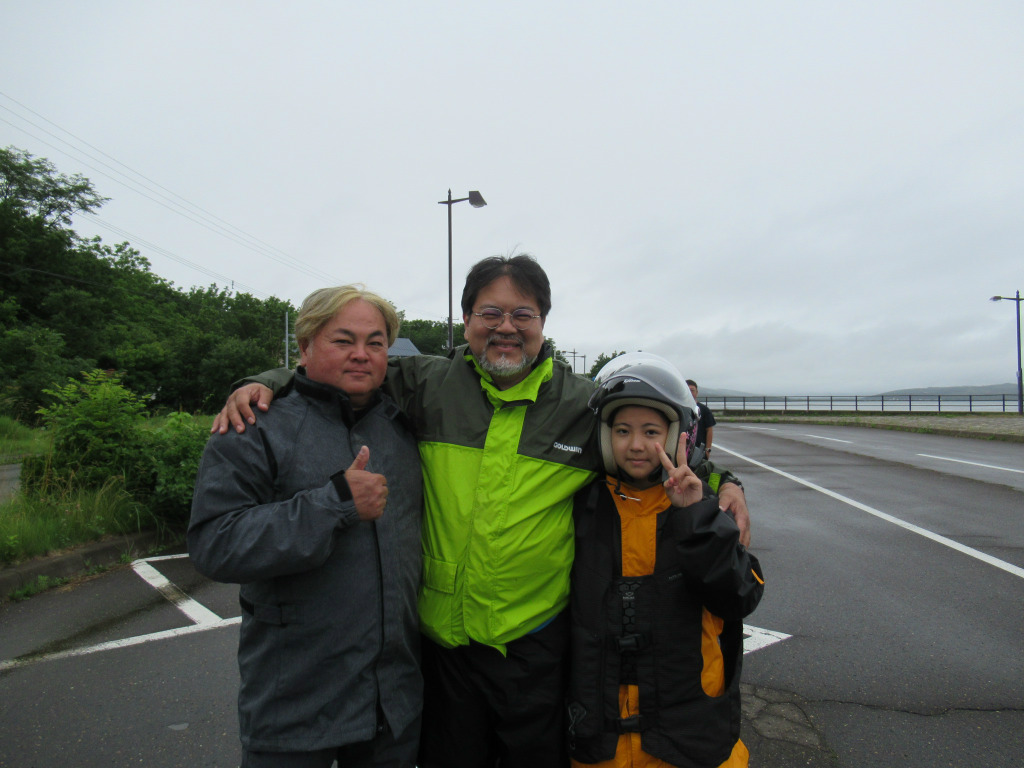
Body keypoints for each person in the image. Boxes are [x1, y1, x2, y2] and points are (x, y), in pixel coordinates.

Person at [212, 255, 751, 768]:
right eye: (490, 312)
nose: (506, 327)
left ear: (543, 323)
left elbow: (648, 449)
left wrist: (724, 482)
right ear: (466, 319)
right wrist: (264, 383)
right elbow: (342, 369)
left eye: (523, 314)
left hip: (535, 643)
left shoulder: (581, 405)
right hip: (441, 649)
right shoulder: (426, 383)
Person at [188, 286, 423, 768]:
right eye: (343, 340)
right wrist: (334, 503)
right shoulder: (254, 425)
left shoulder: (405, 427)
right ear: (304, 346)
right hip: (292, 706)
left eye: (375, 343)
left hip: (392, 706)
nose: (361, 354)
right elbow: (215, 543)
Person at [568, 354, 764, 768]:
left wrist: (698, 516)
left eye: (652, 431)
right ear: (603, 436)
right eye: (622, 431)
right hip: (597, 741)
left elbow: (739, 596)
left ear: (678, 436)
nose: (636, 445)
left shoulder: (703, 507)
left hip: (688, 738)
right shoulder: (579, 505)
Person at [687, 379, 716, 458]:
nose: (690, 393)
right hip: (682, 448)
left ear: (697, 392)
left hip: (699, 449)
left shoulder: (704, 410)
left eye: (692, 390)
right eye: (687, 390)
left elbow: (709, 430)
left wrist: (708, 449)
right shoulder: (680, 409)